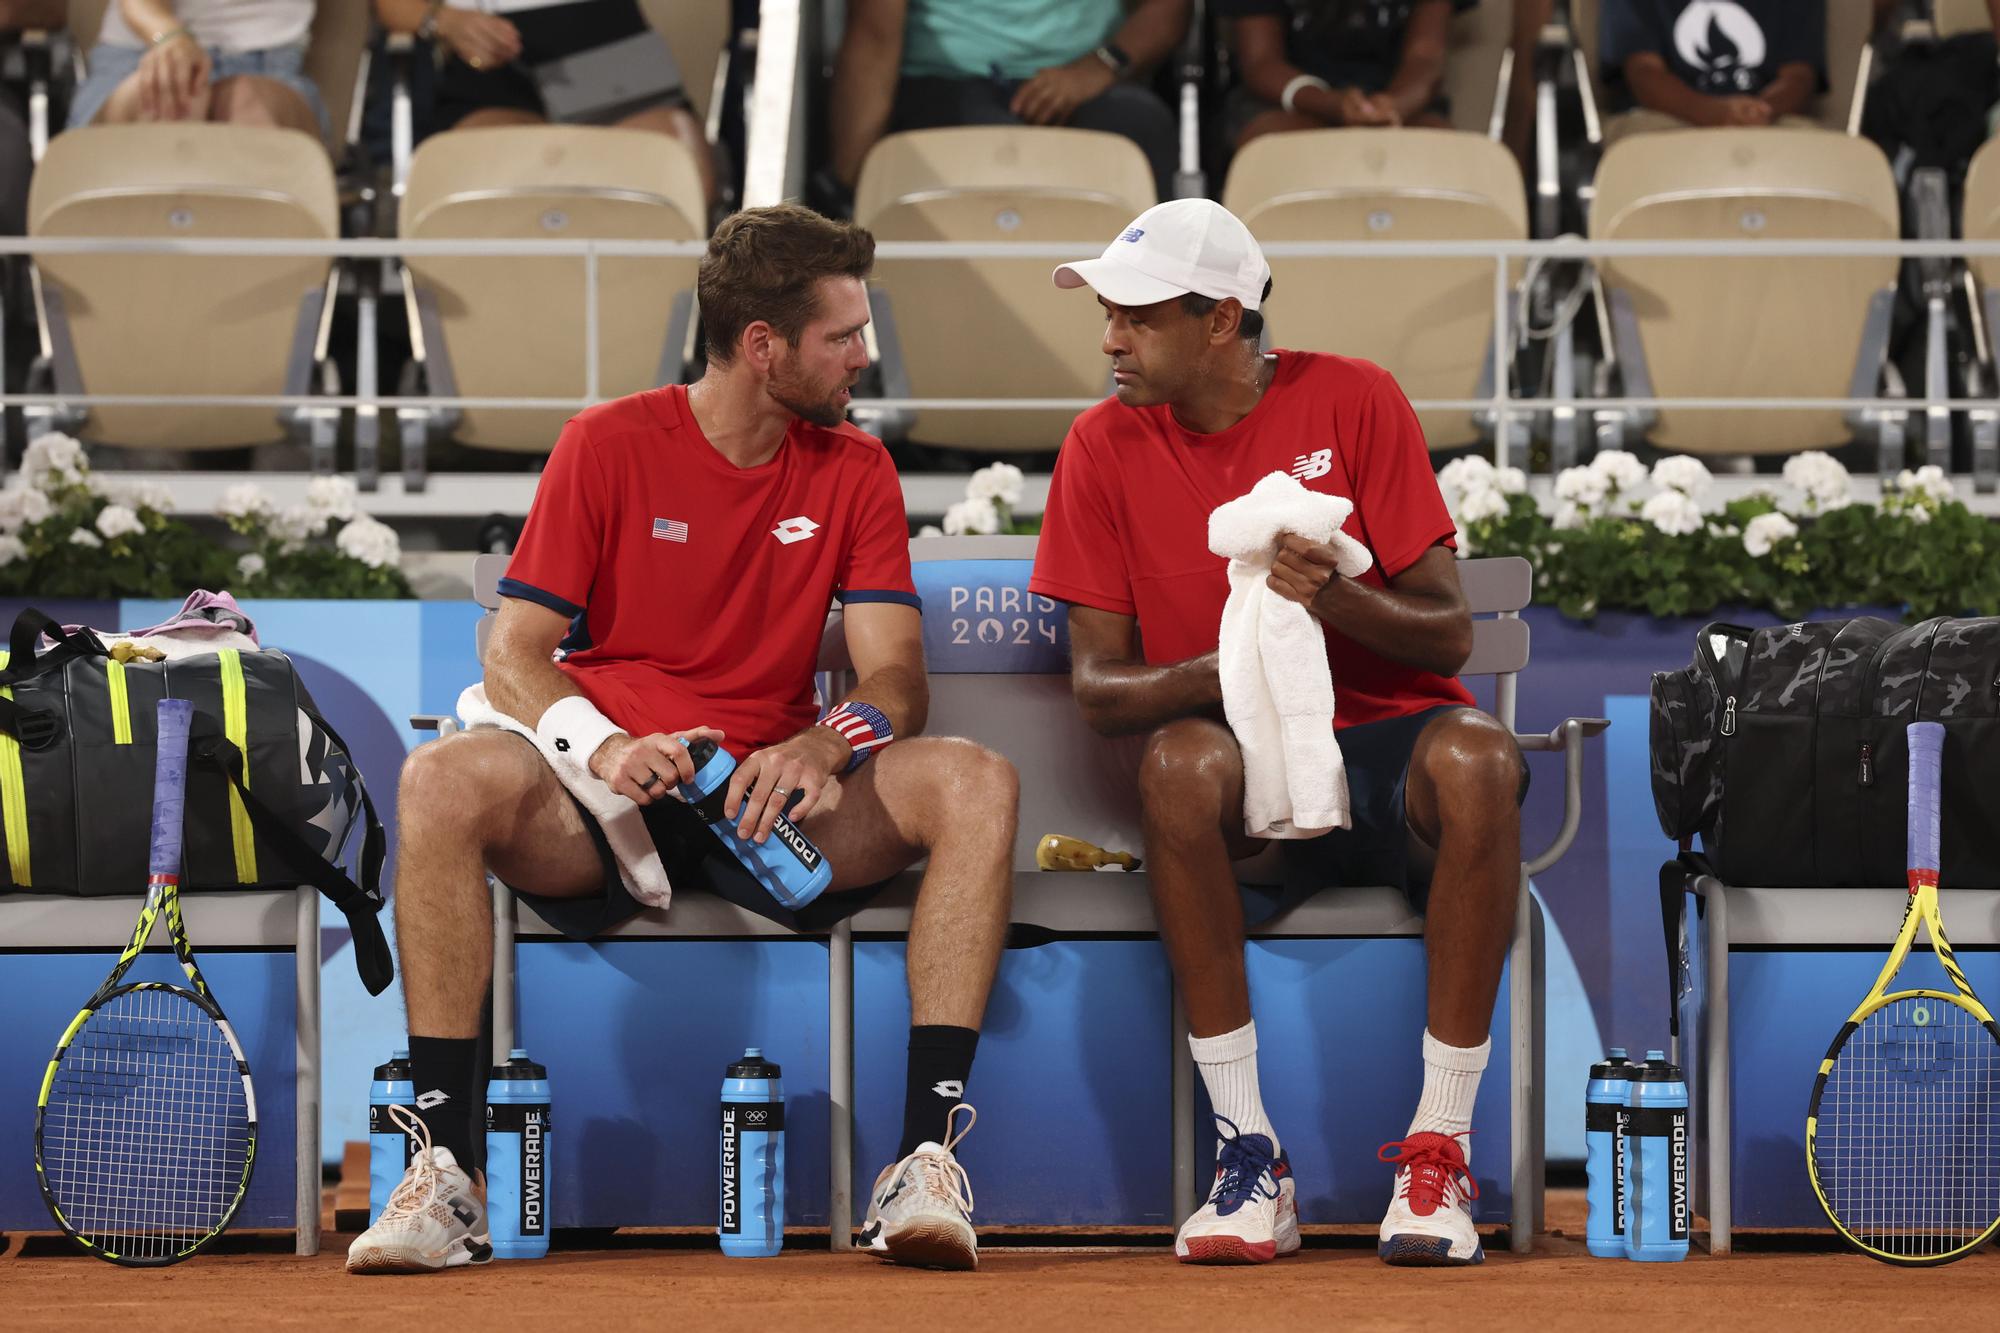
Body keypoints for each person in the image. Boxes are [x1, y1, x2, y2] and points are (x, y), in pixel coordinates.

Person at [348, 204, 1016, 1276]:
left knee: (975, 781)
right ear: (764, 347)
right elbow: (512, 654)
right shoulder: (604, 442)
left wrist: (821, 743)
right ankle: (445, 1172)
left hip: (771, 798)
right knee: (439, 778)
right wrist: (603, 745)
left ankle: (923, 1164)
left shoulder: (854, 468)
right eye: (841, 334)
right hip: (603, 800)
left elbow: (896, 679)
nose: (863, 354)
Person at [1030, 198, 1526, 1267]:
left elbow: (1445, 633)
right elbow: (1100, 689)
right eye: (1108, 314)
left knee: (1481, 758)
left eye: (1135, 315)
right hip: (1236, 769)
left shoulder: (1353, 398)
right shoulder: (1098, 444)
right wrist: (1235, 666)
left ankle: (1437, 1147)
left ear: (1219, 320)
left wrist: (1332, 600)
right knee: (1173, 761)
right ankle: (1246, 1151)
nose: (1109, 338)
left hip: (1388, 757)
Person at [830, 0, 1190, 205]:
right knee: (983, 154)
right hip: (941, 82)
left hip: (1091, 76)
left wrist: (1098, 68)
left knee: (1143, 124)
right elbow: (873, 37)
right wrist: (851, 186)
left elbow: (1168, 10)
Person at [373, 0, 717, 205]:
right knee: (478, 185)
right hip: (489, 58)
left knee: (681, 177)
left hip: (611, 50)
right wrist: (445, 21)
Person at [1221, 0, 1470, 148]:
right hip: (1286, 99)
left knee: (1437, 150)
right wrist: (1331, 103)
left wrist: (1390, 107)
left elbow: (1425, 56)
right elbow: (1261, 62)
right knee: (1275, 151)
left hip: (1401, 100)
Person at [68, 0, 326, 135]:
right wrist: (170, 40)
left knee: (250, 114)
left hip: (270, 65)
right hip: (139, 55)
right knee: (160, 104)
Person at [1600, 0, 1825, 138]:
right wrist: (1715, 113)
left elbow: (1800, 75)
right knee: (1641, 148)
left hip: (1771, 118)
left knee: (1817, 149)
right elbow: (1643, 71)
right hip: (1662, 115)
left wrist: (1759, 112)